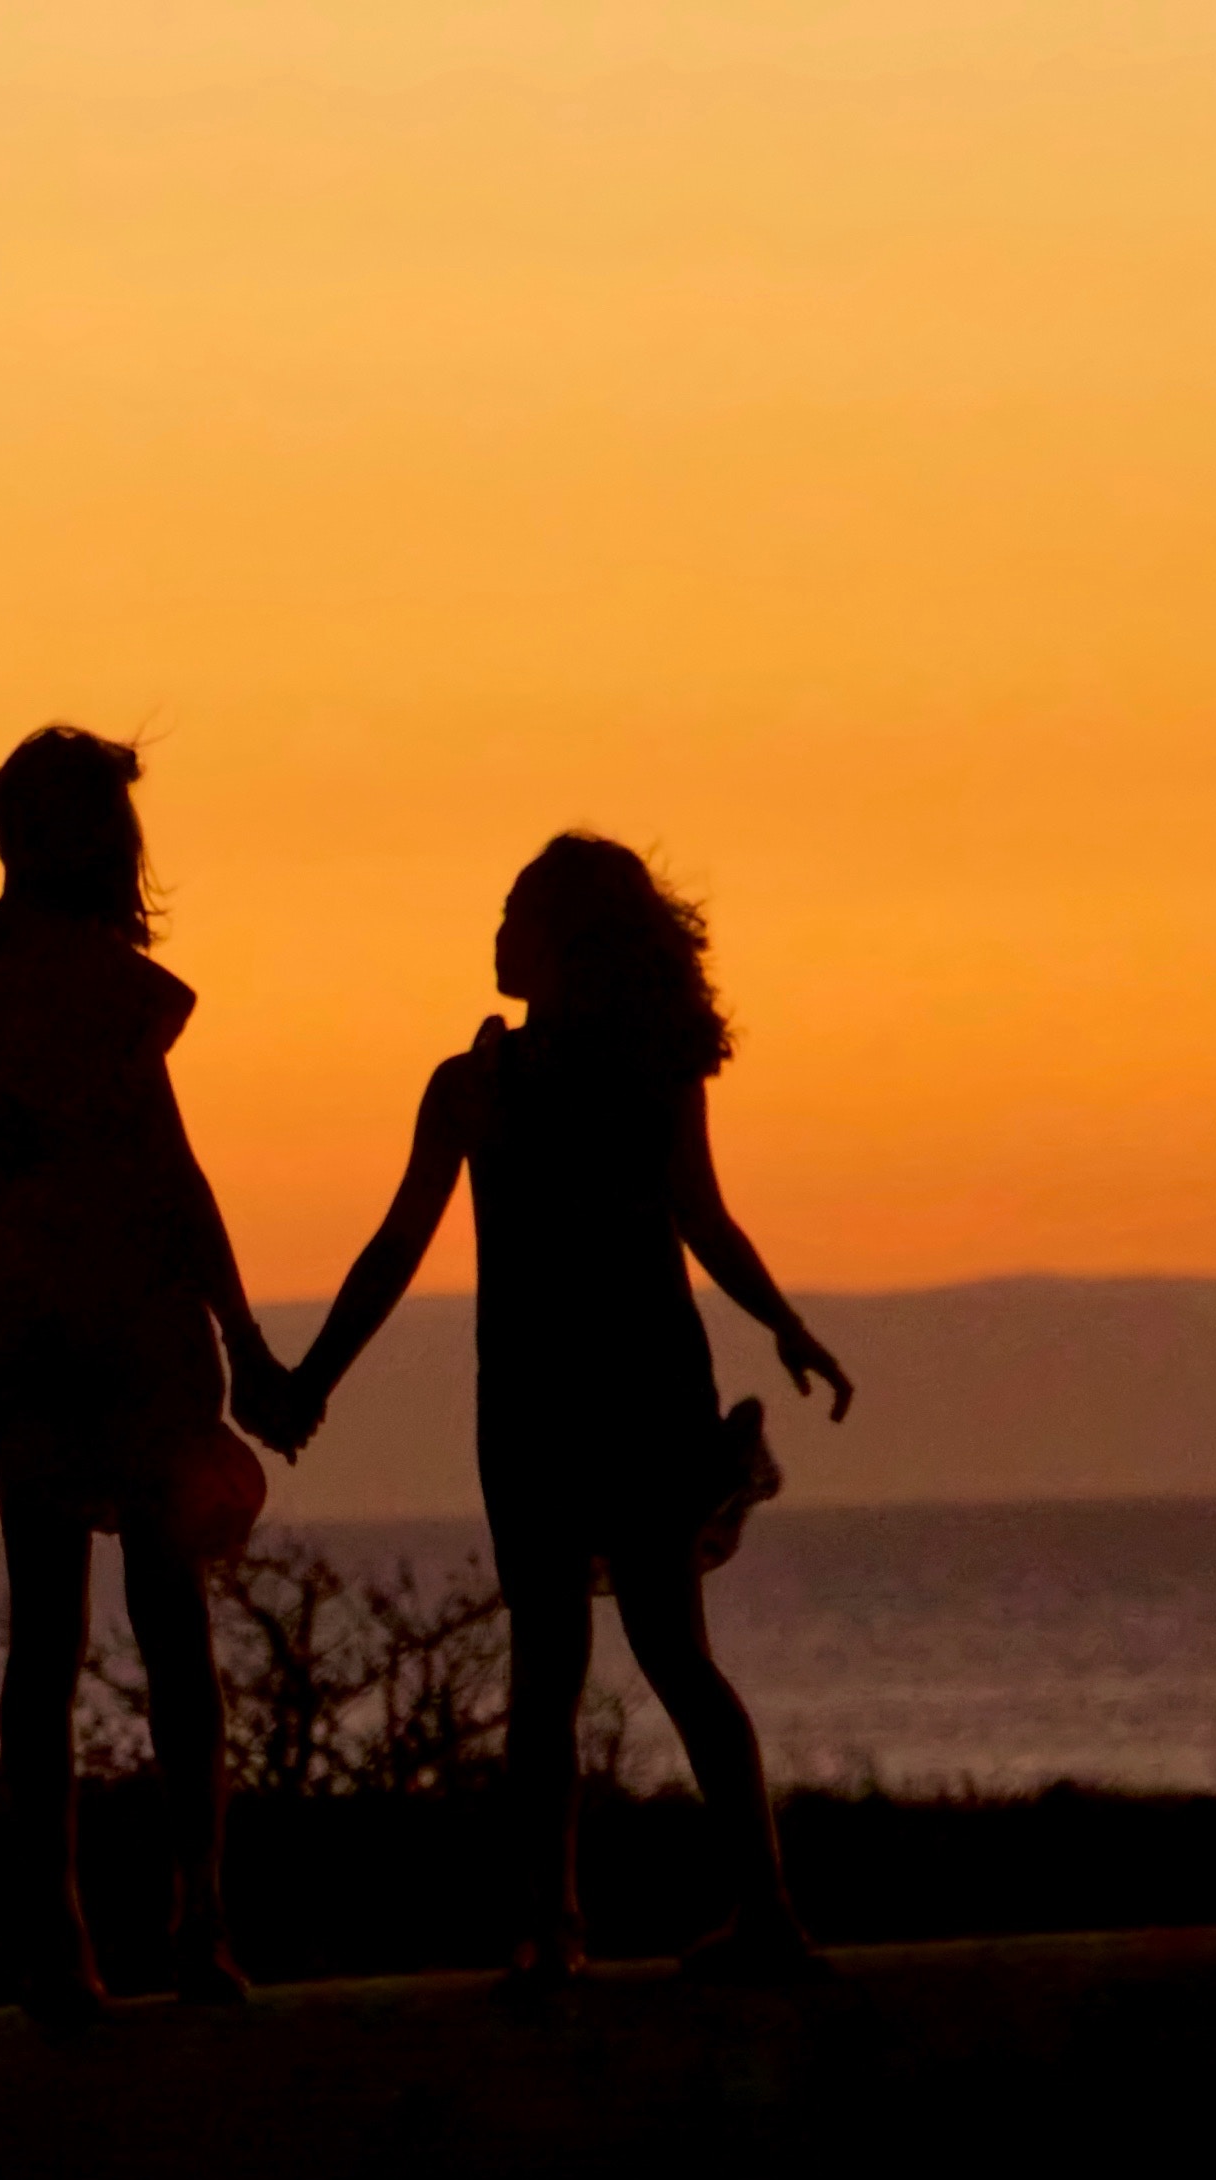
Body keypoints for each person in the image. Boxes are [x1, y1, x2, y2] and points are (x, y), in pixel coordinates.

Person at [280, 833, 854, 1987]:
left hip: (563, 1394)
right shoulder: (538, 1078)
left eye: (512, 917)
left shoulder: (492, 1082)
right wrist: (314, 1376)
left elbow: (410, 1244)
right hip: (616, 1387)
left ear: (562, 942)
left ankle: (570, 1925)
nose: (493, 936)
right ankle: (726, 1908)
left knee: (562, 1669)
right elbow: (697, 1218)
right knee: (658, 1659)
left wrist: (312, 1379)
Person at [0, 728, 297, 2020]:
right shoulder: (110, 987)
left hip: (26, 1320)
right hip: (130, 1321)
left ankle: (65, 1938)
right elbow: (172, 1182)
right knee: (167, 1627)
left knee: (52, 1635)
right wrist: (245, 1340)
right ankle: (191, 1922)